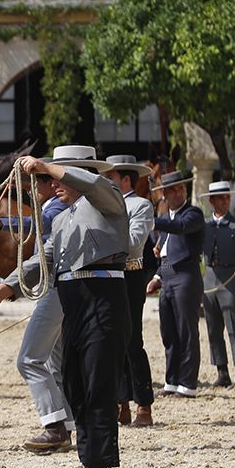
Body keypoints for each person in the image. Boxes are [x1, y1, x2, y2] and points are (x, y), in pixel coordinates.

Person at [0, 145, 129, 468]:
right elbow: (41, 261)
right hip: (74, 299)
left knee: (97, 381)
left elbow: (94, 186)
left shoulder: (108, 197)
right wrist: (1, 292)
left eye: (59, 174)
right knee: (74, 379)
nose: (51, 182)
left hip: (103, 297)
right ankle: (89, 462)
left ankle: (96, 467)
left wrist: (45, 165)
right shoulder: (60, 219)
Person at [0, 160, 73, 453]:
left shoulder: (54, 208)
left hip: (55, 288)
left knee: (29, 360)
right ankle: (65, 425)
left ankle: (54, 427)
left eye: (36, 184)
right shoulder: (72, 206)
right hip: (64, 288)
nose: (32, 191)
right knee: (55, 361)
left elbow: (37, 227)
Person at [104, 155, 156, 427]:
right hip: (109, 274)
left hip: (131, 273)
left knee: (133, 340)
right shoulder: (103, 205)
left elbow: (135, 241)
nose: (106, 182)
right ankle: (121, 401)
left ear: (126, 179)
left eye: (111, 177)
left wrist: (102, 239)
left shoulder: (141, 205)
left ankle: (143, 404)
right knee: (112, 341)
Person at [147, 168, 204, 399]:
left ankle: (188, 383)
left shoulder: (193, 214)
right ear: (165, 195)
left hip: (186, 276)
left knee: (186, 330)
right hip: (169, 276)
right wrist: (158, 276)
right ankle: (172, 380)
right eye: (173, 189)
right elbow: (166, 254)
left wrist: (152, 221)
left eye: (181, 188)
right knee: (168, 331)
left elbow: (180, 228)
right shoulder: (168, 222)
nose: (179, 192)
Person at [200, 181, 235, 387]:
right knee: (213, 328)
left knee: (234, 326)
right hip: (209, 278)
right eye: (221, 198)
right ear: (211, 201)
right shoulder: (204, 226)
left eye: (227, 197)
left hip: (230, 277)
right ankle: (222, 371)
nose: (225, 201)